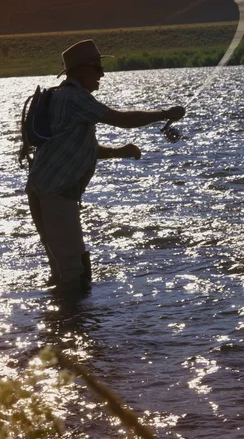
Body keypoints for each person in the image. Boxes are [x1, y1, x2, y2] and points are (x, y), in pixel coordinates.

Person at [24, 39, 185, 295]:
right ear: (80, 71)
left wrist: (118, 152)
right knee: (73, 270)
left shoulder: (60, 97)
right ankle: (74, 323)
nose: (102, 74)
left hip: (40, 187)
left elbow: (74, 149)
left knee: (60, 264)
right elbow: (120, 119)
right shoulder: (75, 97)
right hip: (56, 192)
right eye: (97, 68)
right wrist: (164, 113)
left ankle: (60, 322)